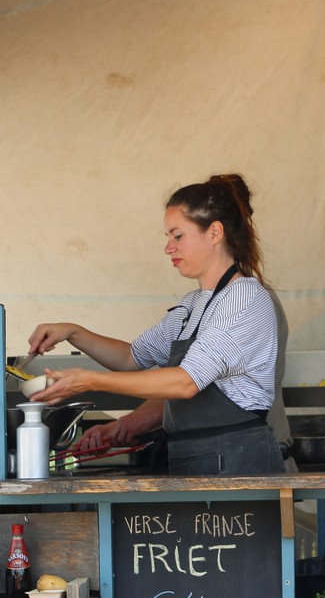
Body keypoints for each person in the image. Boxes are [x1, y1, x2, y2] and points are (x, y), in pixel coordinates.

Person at [26, 174, 287, 475]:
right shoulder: (191, 305)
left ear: (215, 232)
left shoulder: (245, 298)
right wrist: (73, 332)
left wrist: (92, 381)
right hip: (193, 463)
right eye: (167, 237)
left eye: (178, 236)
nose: (168, 248)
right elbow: (130, 358)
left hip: (240, 468)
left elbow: (185, 382)